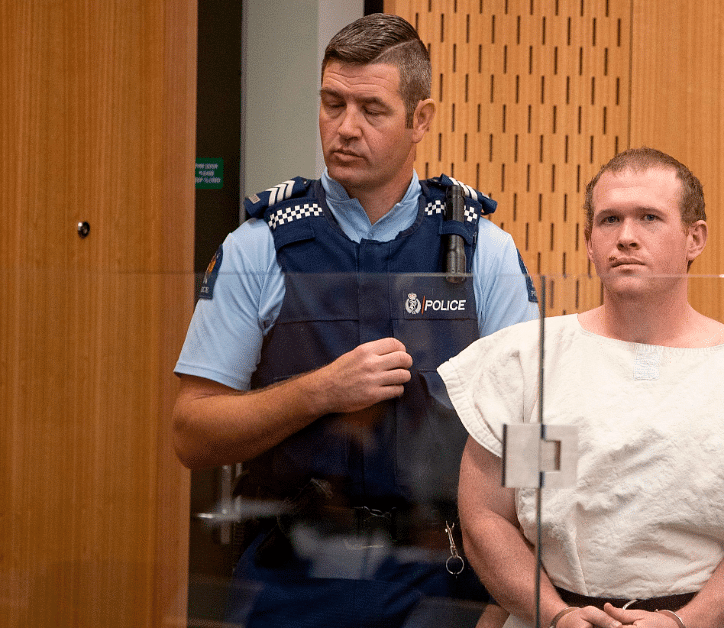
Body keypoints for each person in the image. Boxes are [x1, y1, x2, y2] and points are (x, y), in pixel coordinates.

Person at [172, 13, 538, 627]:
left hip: (442, 574)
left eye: (372, 109)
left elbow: (536, 435)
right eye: (332, 103)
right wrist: (320, 392)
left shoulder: (483, 251)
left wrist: (510, 596)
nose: (345, 128)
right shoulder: (258, 246)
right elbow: (191, 433)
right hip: (294, 569)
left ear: (420, 120)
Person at [440, 147, 724, 628]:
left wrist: (687, 622)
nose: (627, 237)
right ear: (589, 242)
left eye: (650, 218)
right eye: (610, 219)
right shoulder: (529, 362)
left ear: (694, 238)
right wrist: (555, 615)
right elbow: (487, 518)